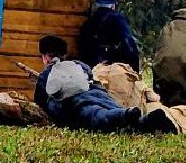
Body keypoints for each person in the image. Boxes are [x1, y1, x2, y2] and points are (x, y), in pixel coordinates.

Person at [36, 35, 175, 134]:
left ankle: (124, 116)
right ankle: (141, 120)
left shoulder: (47, 74)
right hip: (98, 92)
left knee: (96, 115)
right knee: (112, 107)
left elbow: (40, 101)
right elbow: (91, 76)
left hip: (74, 101)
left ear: (46, 57)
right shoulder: (79, 65)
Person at [78, 0, 141, 71]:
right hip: (110, 63)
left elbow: (82, 43)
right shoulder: (117, 19)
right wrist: (134, 65)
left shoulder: (90, 20)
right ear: (113, 6)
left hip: (91, 62)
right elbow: (127, 41)